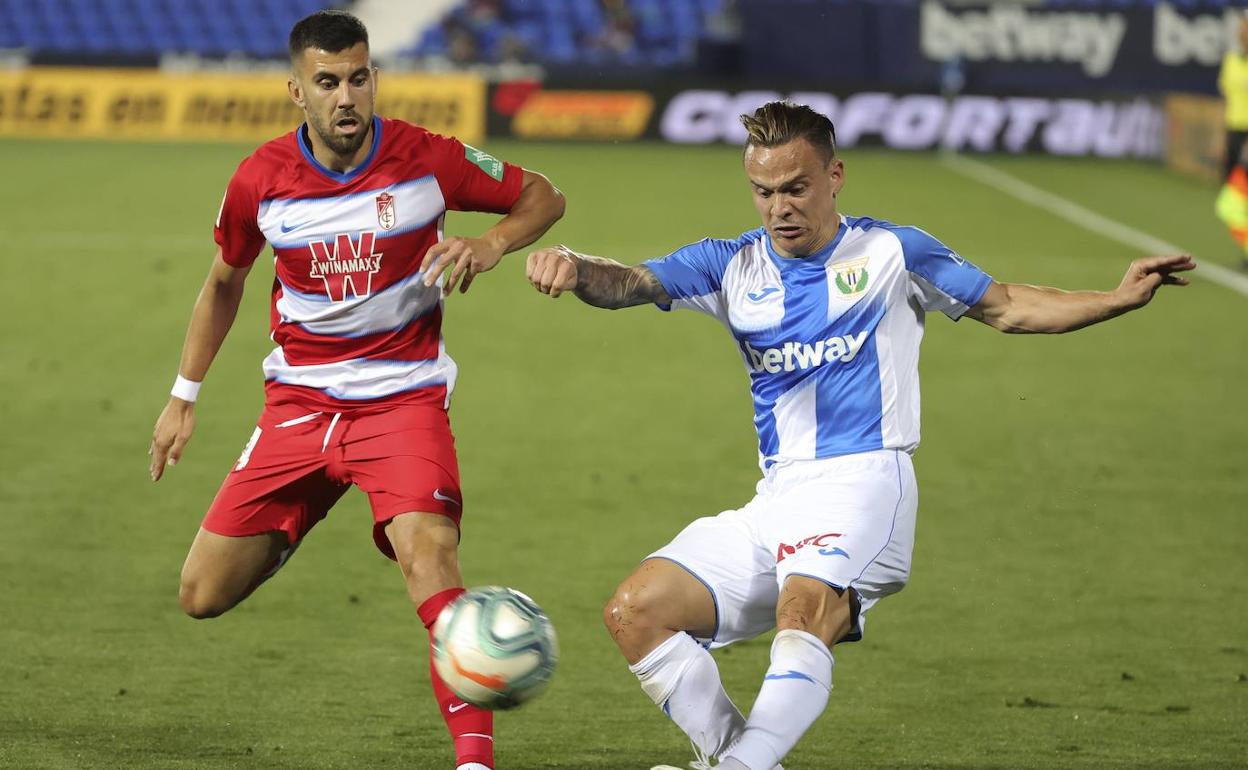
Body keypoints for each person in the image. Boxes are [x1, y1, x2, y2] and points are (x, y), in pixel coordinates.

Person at [524, 101, 1193, 770]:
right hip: (779, 496)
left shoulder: (891, 252)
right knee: (636, 612)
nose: (779, 206)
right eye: (763, 191)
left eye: (795, 187)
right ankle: (738, 757)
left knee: (802, 610)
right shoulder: (730, 265)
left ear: (834, 175)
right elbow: (631, 283)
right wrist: (576, 267)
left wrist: (1115, 298)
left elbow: (1009, 306)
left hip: (868, 481)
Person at [147, 11, 565, 770]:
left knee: (428, 558)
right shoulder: (259, 180)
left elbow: (543, 193)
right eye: (328, 82)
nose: (348, 96)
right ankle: (301, 511)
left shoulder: (428, 159)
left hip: (402, 403)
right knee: (201, 594)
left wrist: (492, 241)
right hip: (299, 408)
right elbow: (223, 284)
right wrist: (184, 394)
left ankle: (476, 763)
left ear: (375, 78)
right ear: (296, 91)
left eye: (360, 78)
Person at [1219, 11, 1248, 180]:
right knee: (1230, 186)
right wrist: (1220, 137)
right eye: (1242, 26)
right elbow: (1225, 98)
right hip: (1233, 129)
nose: (1243, 31)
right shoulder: (1231, 60)